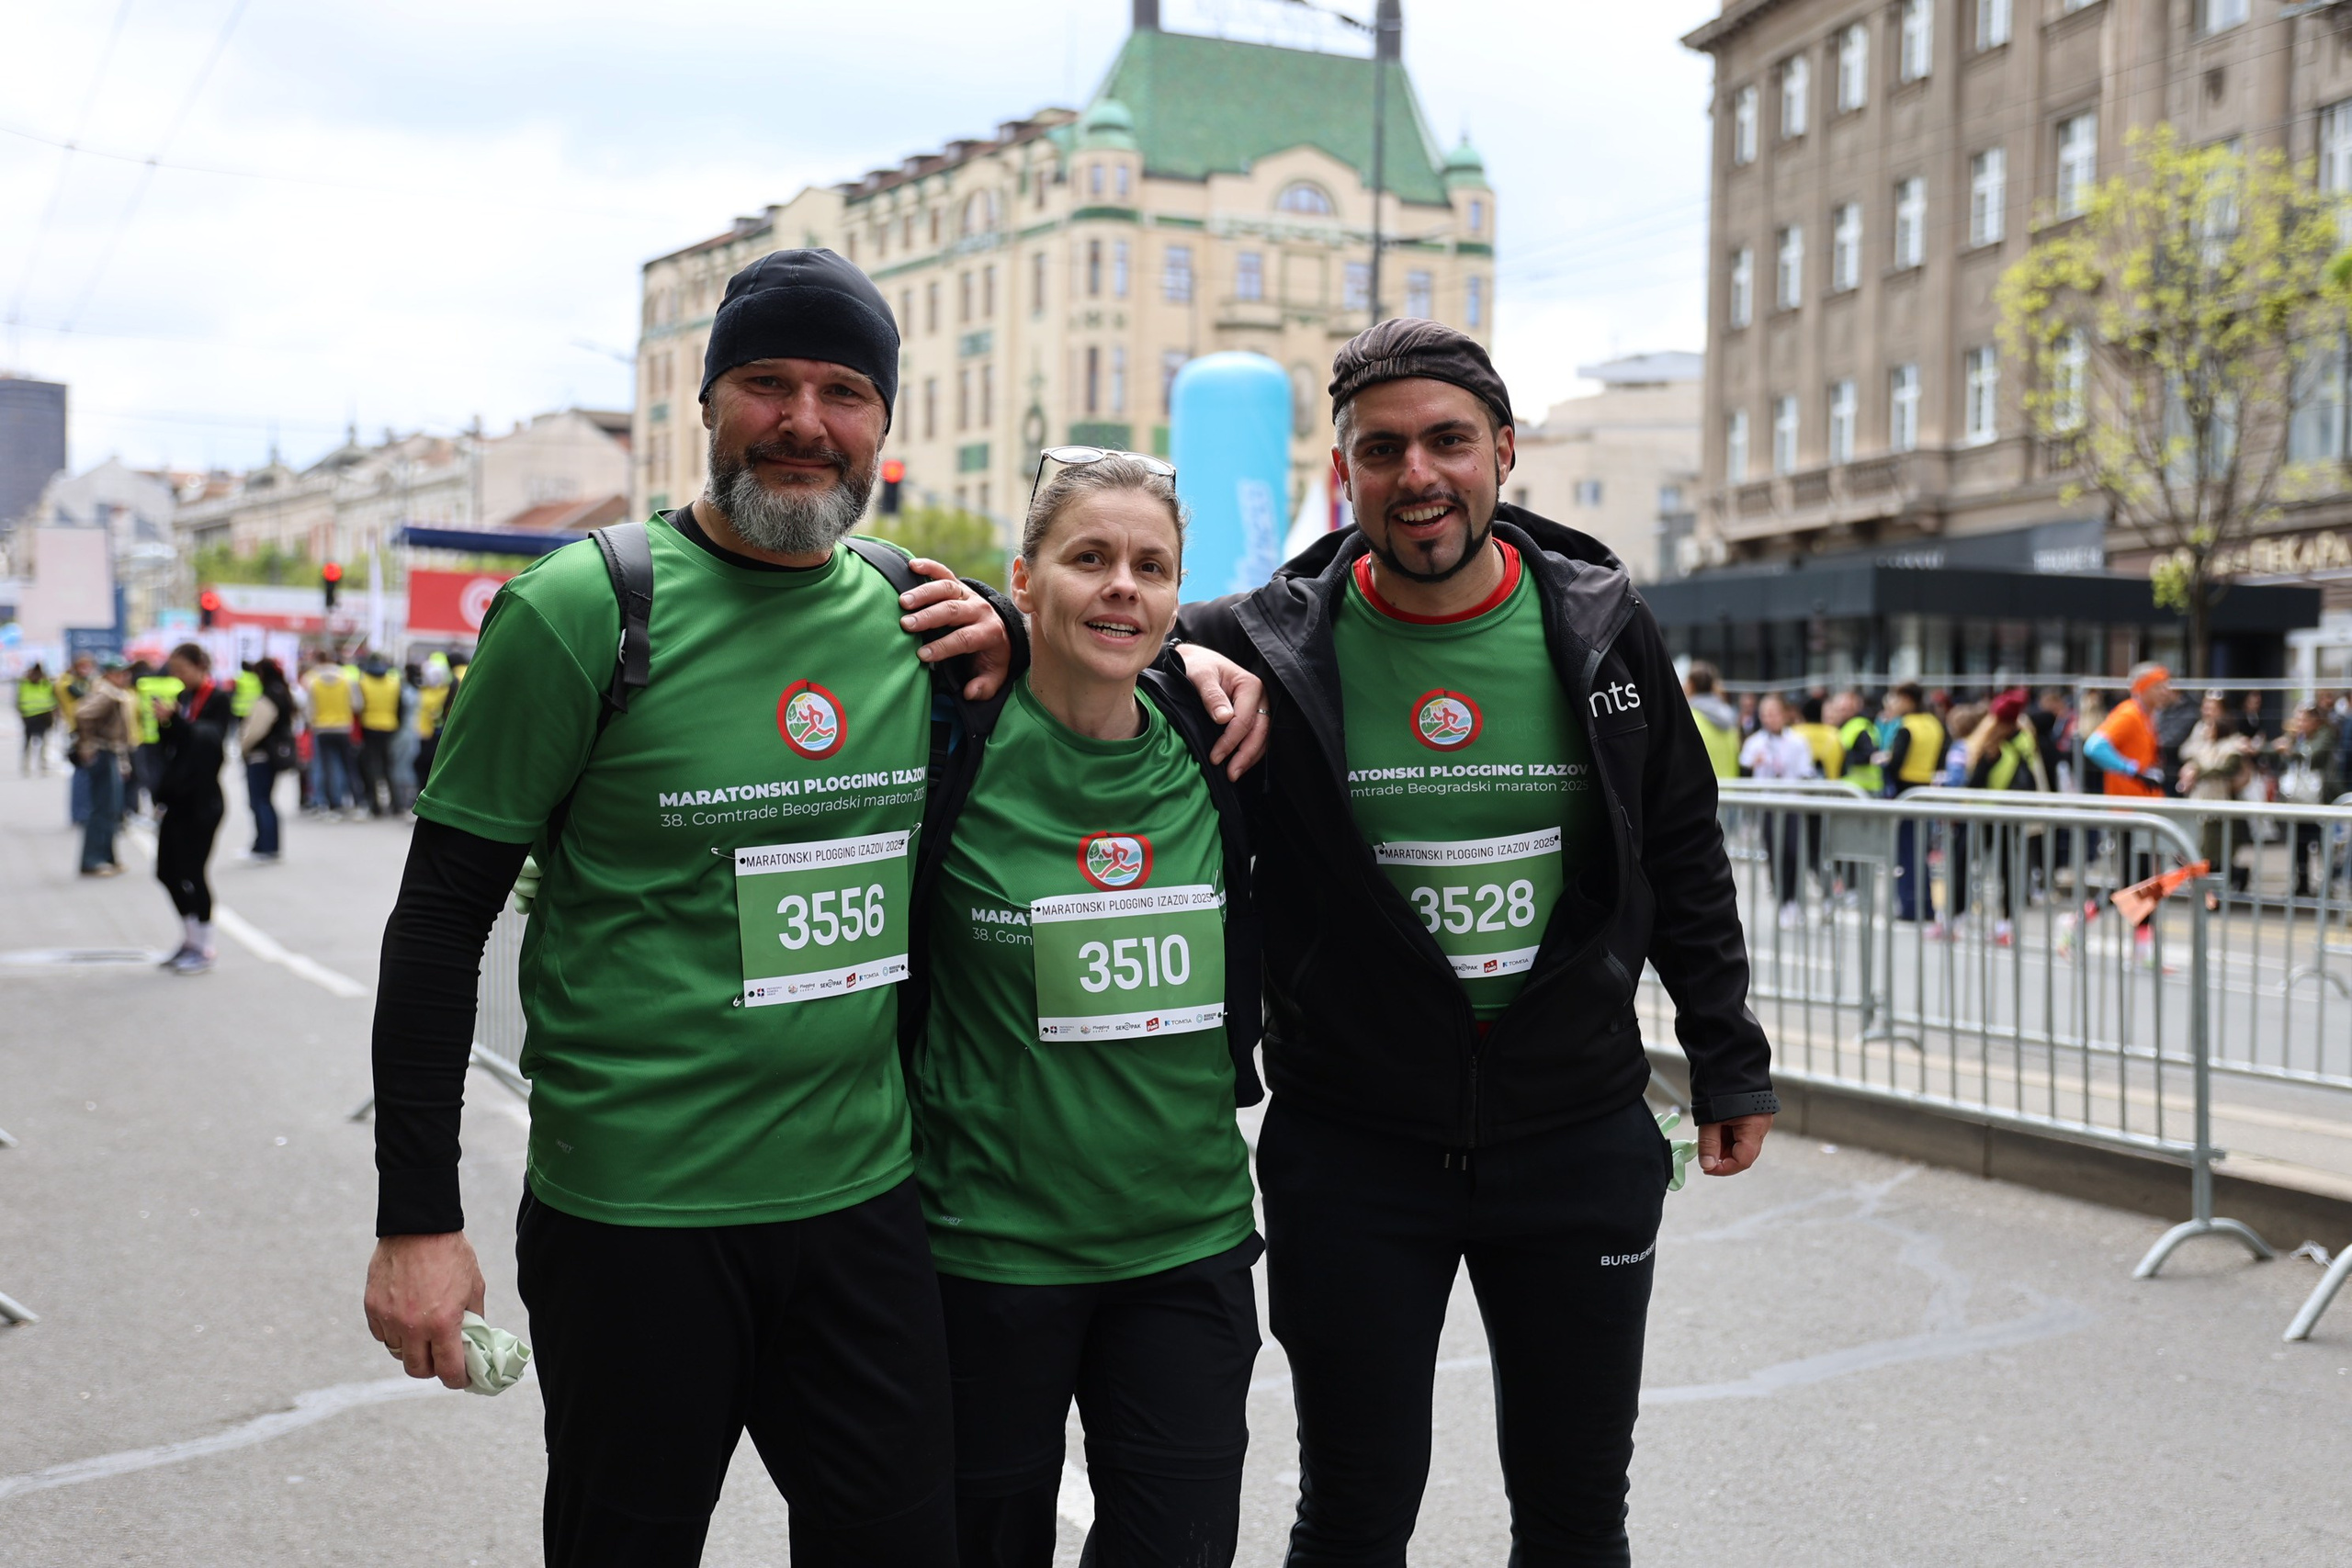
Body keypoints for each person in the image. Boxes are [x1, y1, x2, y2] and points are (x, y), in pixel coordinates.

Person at [359, 249, 1265, 1567]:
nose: (804, 421)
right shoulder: (585, 611)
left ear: (882, 425)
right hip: (638, 1220)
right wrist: (417, 1217)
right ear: (707, 402)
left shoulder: (913, 611)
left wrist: (1187, 661)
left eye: (844, 392)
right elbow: (439, 922)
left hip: (864, 1213)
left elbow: (1081, 643)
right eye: (768, 384)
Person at [1175, 318, 1775, 1562]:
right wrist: (1035, 628)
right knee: (1352, 1512)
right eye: (1381, 449)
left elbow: (1679, 842)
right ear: (1343, 473)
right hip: (1354, 1144)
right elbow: (1087, 644)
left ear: (1503, 450)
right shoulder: (1257, 646)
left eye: (1447, 440)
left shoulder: (1603, 622)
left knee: (1574, 1515)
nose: (1418, 475)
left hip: (1576, 1132)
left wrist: (1728, 1056)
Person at [906, 454, 1262, 1566]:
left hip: (1186, 1249)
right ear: (1023, 579)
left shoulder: (1216, 740)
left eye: (1151, 567)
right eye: (1089, 558)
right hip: (987, 1257)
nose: (1123, 586)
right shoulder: (945, 741)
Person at [152, 643, 236, 975]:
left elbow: (208, 740)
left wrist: (177, 721)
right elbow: (176, 743)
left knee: (193, 872)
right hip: (177, 797)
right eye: (173, 671)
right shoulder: (183, 697)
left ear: (201, 666)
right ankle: (189, 938)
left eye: (182, 670)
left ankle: (204, 946)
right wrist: (166, 723)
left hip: (203, 800)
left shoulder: (218, 699)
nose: (178, 677)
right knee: (166, 871)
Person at [1740, 693, 1817, 927]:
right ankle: (1783, 901)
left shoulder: (1797, 741)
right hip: (1768, 806)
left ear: (1785, 714)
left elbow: (1806, 772)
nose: (1769, 718)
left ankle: (1794, 900)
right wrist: (1753, 766)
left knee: (1794, 852)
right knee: (1775, 853)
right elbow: (1743, 771)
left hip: (1792, 804)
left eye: (1773, 713)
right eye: (1764, 714)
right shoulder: (1754, 742)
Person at [1876, 682, 1946, 921]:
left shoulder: (1906, 726)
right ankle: (1926, 906)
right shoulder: (1934, 724)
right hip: (1925, 790)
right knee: (1921, 851)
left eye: (1896, 698)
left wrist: (1884, 763)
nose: (1893, 703)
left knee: (1906, 853)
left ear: (1907, 699)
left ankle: (1909, 906)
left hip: (1904, 792)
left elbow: (1896, 763)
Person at [2180, 691, 2256, 897]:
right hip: (2201, 799)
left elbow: (2229, 766)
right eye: (2205, 705)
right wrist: (2193, 767)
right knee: (2203, 846)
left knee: (2217, 847)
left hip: (2222, 799)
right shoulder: (2200, 730)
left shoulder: (2231, 739)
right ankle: (2212, 885)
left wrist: (2198, 771)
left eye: (2212, 707)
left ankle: (2223, 883)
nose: (2207, 710)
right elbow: (2188, 752)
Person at [70, 660, 139, 876]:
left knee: (112, 808)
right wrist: (88, 743)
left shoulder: (113, 692)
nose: (125, 677)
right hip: (104, 752)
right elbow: (83, 713)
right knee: (103, 808)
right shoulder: (106, 693)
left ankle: (107, 857)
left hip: (111, 753)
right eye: (120, 673)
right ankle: (93, 860)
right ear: (110, 674)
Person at [2273, 703, 2342, 898]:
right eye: (2298, 718)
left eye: (2303, 719)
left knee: (2323, 843)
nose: (2299, 723)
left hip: (2320, 800)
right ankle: (2302, 883)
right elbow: (2277, 751)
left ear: (2315, 720)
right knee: (2299, 842)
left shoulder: (2325, 735)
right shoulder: (2296, 737)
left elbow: (2315, 755)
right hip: (2299, 800)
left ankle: (2327, 885)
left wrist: (2291, 750)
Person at [241, 659, 298, 862]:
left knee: (260, 801)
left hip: (261, 755)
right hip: (273, 755)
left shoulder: (269, 696)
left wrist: (243, 747)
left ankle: (265, 847)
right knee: (265, 800)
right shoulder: (283, 692)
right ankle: (267, 845)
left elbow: (256, 729)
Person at [303, 653, 358, 818]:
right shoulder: (347, 679)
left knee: (321, 766)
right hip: (343, 727)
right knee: (341, 766)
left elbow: (309, 708)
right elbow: (356, 704)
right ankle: (340, 800)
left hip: (321, 728)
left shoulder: (313, 680)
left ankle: (321, 801)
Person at [356, 652, 402, 816]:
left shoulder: (363, 682)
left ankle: (375, 805)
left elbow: (359, 706)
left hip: (369, 727)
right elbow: (400, 707)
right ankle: (396, 804)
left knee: (371, 767)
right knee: (389, 767)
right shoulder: (394, 682)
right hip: (389, 726)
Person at [1683, 660, 1740, 778]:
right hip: (1731, 788)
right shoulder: (1730, 718)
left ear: (1691, 685)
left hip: (1703, 789)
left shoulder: (1688, 719)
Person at [413, 654, 452, 790]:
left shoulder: (445, 691)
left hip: (434, 734)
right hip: (423, 734)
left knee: (426, 765)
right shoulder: (425, 691)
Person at [17, 660, 56, 773]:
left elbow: (53, 698)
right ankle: (26, 765)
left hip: (43, 715)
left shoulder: (46, 683)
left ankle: (43, 764)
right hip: (29, 716)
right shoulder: (25, 683)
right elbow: (18, 700)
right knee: (28, 742)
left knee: (44, 742)